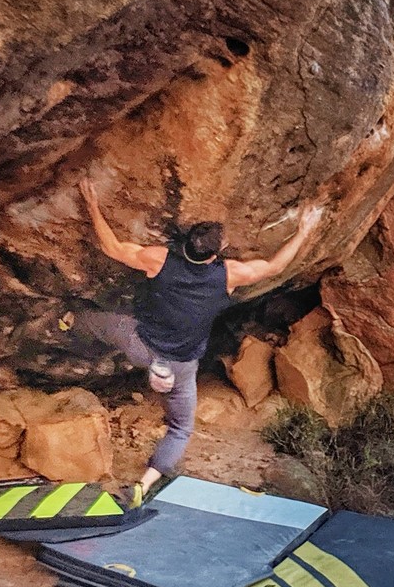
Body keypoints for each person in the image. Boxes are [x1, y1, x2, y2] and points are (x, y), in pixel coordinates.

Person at [73, 177, 323, 506]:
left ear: (186, 245)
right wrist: (304, 231)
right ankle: (143, 486)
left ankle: (67, 325)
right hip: (180, 364)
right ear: (214, 255)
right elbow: (274, 267)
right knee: (180, 428)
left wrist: (92, 204)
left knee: (95, 321)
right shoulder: (227, 275)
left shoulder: (160, 259)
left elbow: (114, 248)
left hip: (140, 344)